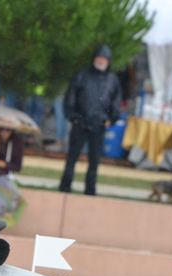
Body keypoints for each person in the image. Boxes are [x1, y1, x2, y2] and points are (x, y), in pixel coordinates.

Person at [59, 45, 122, 196]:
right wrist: (72, 116)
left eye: (104, 59)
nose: (101, 61)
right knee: (72, 157)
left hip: (99, 125)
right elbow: (70, 96)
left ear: (108, 61)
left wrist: (110, 120)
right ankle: (65, 187)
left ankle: (90, 190)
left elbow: (116, 102)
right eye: (99, 58)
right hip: (80, 122)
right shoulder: (82, 75)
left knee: (94, 161)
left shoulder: (112, 80)